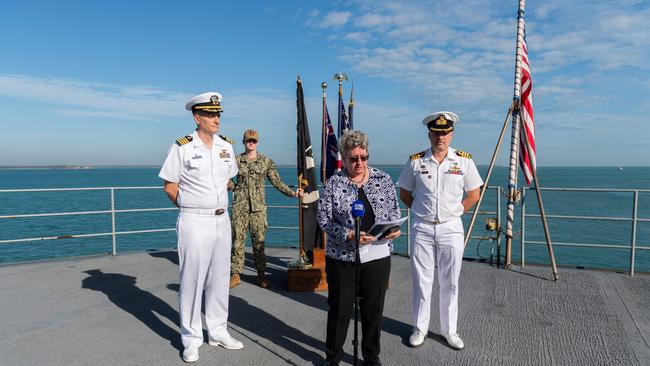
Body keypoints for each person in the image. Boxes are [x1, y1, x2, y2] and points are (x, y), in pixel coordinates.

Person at [159, 92, 244, 363]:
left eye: (218, 114)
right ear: (198, 118)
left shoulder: (226, 146)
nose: (216, 118)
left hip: (222, 219)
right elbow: (170, 186)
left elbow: (229, 179)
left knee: (220, 278)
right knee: (192, 280)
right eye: (210, 114)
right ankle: (191, 338)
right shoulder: (182, 146)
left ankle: (218, 331)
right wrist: (191, 205)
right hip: (194, 220)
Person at [397, 111, 483, 350]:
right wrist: (421, 212)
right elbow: (404, 192)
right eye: (436, 133)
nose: (440, 137)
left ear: (451, 134)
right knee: (422, 280)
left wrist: (457, 212)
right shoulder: (416, 161)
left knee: (450, 281)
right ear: (429, 134)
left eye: (444, 133)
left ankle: (449, 330)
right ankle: (420, 328)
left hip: (451, 228)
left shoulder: (464, 161)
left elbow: (474, 193)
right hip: (422, 227)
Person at [317, 130, 401, 366]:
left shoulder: (382, 179)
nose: (359, 163)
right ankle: (332, 358)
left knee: (373, 311)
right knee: (340, 311)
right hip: (343, 257)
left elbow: (394, 213)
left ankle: (371, 357)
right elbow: (324, 219)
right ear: (344, 157)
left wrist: (395, 229)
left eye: (363, 157)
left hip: (377, 255)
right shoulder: (335, 182)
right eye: (354, 158)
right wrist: (349, 234)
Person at [229, 129, 303, 289]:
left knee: (259, 243)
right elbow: (224, 177)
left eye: (254, 141)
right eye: (248, 140)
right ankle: (235, 274)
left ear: (257, 142)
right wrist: (235, 187)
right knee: (237, 242)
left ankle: (261, 274)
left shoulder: (265, 161)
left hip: (258, 210)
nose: (251, 143)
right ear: (243, 141)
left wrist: (293, 192)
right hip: (239, 207)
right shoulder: (235, 160)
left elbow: (277, 181)